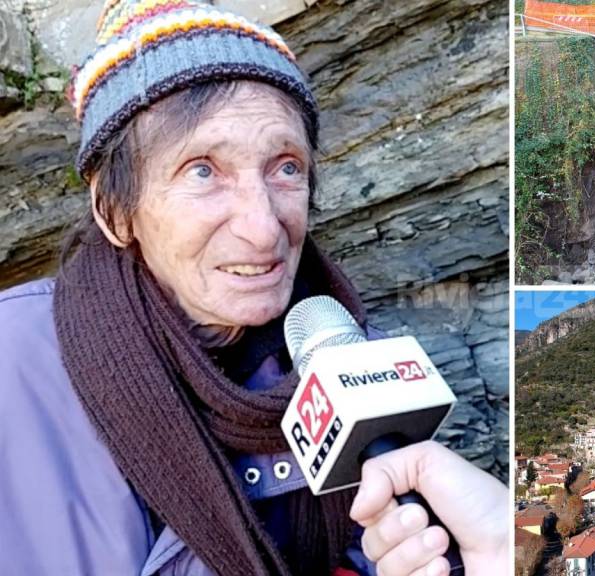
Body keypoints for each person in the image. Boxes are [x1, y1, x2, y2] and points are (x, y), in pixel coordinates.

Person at [0, 1, 508, 575]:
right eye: (202, 171)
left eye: (285, 167)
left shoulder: (351, 357)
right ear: (114, 211)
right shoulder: (12, 367)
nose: (264, 227)